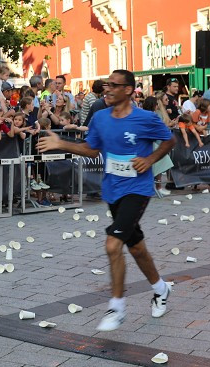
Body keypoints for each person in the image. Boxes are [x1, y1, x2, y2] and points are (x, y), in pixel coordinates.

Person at [37, 69, 174, 332]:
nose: (107, 89)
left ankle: (117, 306)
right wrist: (61, 144)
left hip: (137, 189)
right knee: (135, 247)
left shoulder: (145, 119)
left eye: (114, 85)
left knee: (113, 245)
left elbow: (170, 141)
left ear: (128, 90)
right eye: (106, 85)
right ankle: (160, 288)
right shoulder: (100, 117)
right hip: (113, 190)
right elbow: (91, 149)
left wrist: (149, 160)